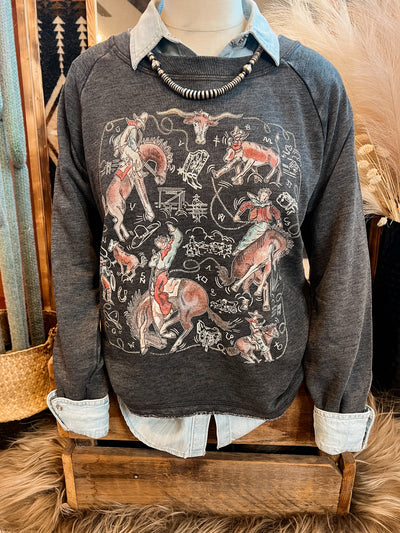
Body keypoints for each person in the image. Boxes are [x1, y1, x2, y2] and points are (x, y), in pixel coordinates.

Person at [48, 0, 374, 459]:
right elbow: (74, 251)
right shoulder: (92, 79)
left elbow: (343, 261)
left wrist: (338, 403)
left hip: (278, 416)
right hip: (130, 411)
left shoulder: (314, 86)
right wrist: (82, 392)